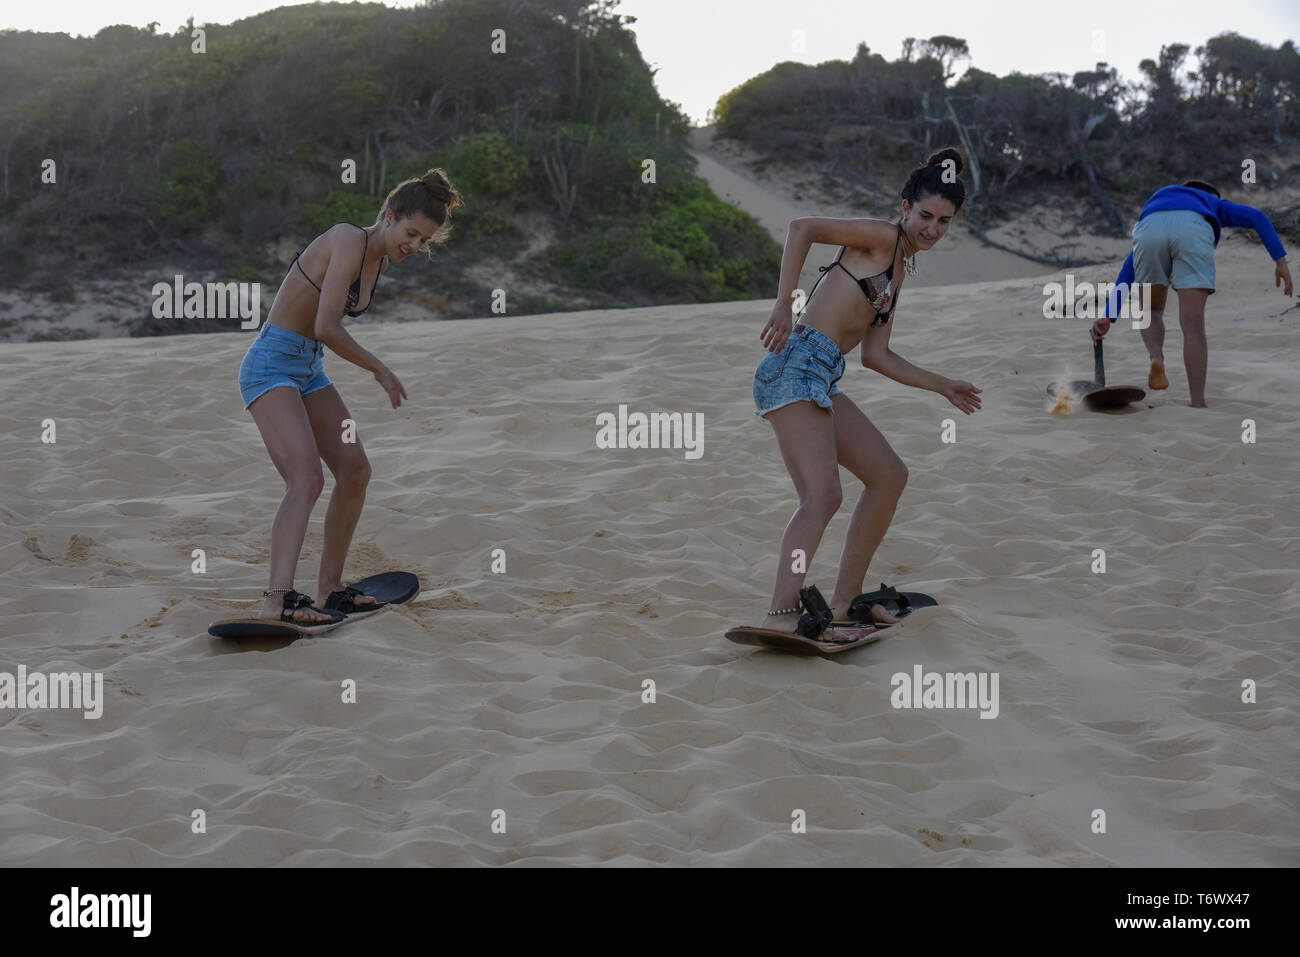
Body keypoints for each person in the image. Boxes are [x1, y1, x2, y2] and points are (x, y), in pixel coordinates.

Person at [750, 147, 982, 643]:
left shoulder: (899, 272)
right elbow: (801, 228)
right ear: (904, 208)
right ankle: (780, 614)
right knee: (822, 496)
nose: (932, 229)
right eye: (925, 215)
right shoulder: (880, 239)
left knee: (888, 475)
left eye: (944, 221)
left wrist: (943, 384)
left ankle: (844, 604)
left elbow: (877, 355)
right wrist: (784, 305)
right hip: (794, 363)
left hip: (823, 375)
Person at [236, 169, 462, 628]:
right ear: (389, 216)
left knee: (356, 470)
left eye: (425, 240)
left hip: (307, 368)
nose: (414, 246)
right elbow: (326, 326)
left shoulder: (377, 263)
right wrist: (380, 369)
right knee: (306, 479)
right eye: (411, 233)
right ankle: (276, 600)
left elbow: (319, 338)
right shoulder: (346, 239)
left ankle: (331, 591)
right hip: (271, 364)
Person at [1091, 180, 1292, 408]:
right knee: (1193, 324)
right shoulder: (1211, 202)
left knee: (1151, 309)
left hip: (1149, 229)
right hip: (1192, 230)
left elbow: (1129, 269)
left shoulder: (1162, 198)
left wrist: (1109, 314)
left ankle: (1156, 357)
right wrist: (1280, 261)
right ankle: (1197, 402)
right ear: (1212, 196)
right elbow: (1257, 217)